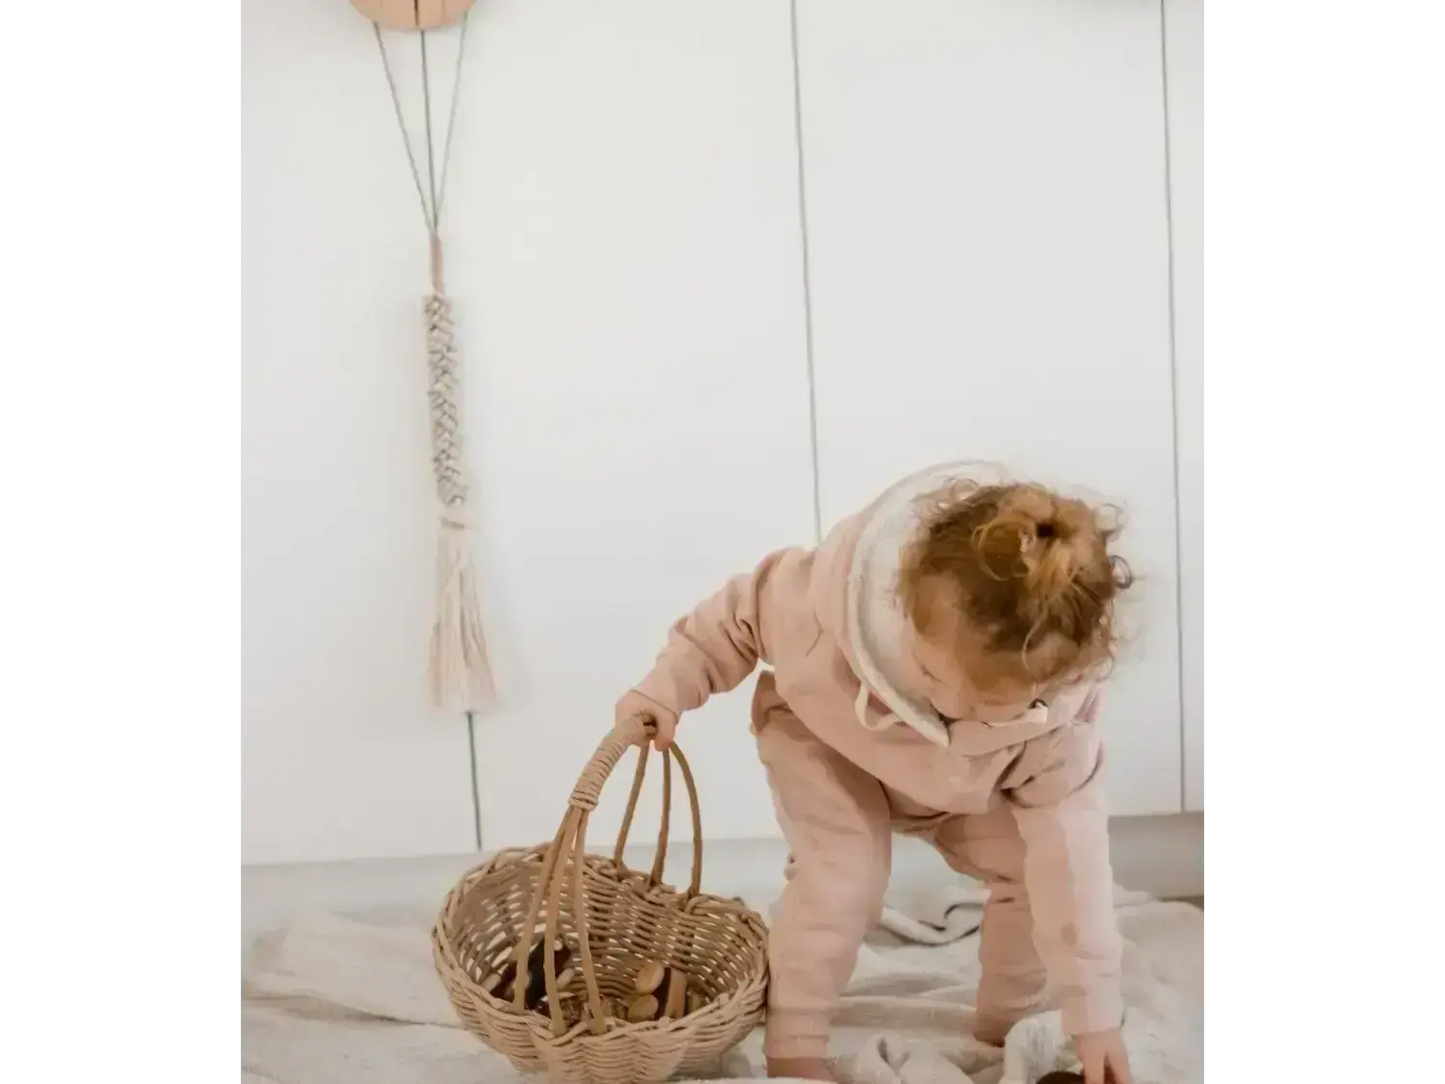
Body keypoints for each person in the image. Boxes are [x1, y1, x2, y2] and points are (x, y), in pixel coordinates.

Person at [615, 462, 1134, 1084]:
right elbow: (731, 621)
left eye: (990, 708)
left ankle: (1006, 1020)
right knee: (846, 873)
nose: (954, 710)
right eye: (934, 681)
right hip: (829, 740)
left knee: (1031, 863)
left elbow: (1073, 866)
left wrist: (1093, 1018)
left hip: (962, 783)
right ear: (903, 615)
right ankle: (795, 1046)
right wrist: (663, 692)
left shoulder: (1058, 731)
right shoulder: (825, 600)